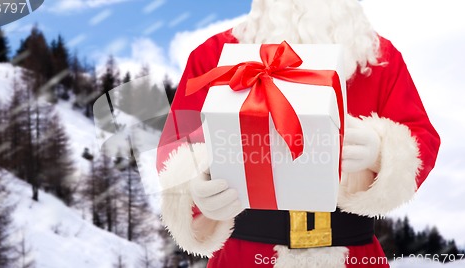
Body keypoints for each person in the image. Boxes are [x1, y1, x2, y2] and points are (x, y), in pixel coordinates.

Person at [156, 0, 440, 267]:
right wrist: (195, 188)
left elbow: (421, 138)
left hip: (353, 254)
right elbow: (176, 149)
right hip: (244, 253)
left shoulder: (380, 59)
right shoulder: (213, 55)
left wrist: (381, 152)